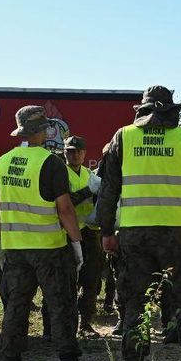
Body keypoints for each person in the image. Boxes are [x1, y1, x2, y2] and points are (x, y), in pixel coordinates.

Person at [97, 85, 181, 361]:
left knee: (135, 305)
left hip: (134, 236)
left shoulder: (122, 137)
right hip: (177, 235)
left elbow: (108, 190)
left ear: (141, 109)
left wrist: (106, 231)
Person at [0, 106, 94, 361]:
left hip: (14, 250)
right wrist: (76, 243)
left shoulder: (2, 162)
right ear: (44, 130)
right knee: (61, 306)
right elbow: (65, 209)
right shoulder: (49, 163)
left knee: (15, 307)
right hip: (48, 248)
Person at [64, 136, 106, 335]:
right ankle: (59, 326)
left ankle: (85, 322)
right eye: (70, 151)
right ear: (64, 152)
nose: (75, 154)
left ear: (85, 153)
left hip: (89, 232)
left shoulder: (89, 173)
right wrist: (88, 190)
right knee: (65, 280)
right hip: (67, 233)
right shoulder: (59, 173)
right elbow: (66, 202)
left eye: (78, 151)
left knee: (91, 279)